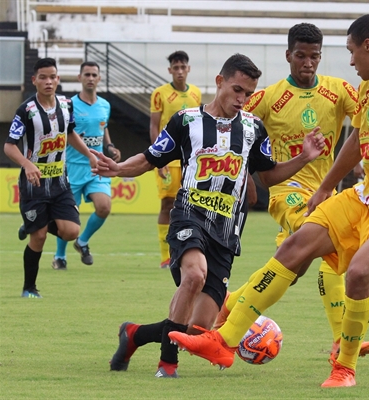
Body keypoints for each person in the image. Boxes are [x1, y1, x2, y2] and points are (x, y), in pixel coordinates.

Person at [167, 13, 369, 388]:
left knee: (358, 274)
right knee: (296, 247)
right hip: (356, 196)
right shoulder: (366, 90)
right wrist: (324, 188)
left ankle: (344, 367)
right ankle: (224, 341)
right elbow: (355, 143)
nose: (348, 62)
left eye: (350, 52)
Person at [91, 53, 326, 378]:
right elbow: (150, 158)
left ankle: (133, 334)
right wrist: (118, 169)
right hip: (189, 218)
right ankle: (166, 366)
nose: (243, 99)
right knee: (194, 276)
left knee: (197, 329)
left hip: (226, 234)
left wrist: (303, 157)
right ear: (219, 82)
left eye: (248, 93)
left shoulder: (253, 129)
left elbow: (269, 176)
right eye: (237, 90)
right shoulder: (186, 122)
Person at [219, 22, 369, 360]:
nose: (308, 63)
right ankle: (340, 340)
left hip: (324, 191)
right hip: (286, 191)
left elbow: (367, 123)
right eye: (301, 56)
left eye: (314, 56)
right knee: (326, 248)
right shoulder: (269, 97)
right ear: (288, 55)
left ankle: (230, 304)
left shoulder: (338, 90)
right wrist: (244, 177)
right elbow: (232, 127)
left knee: (288, 271)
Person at [4, 57, 98, 297]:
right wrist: (27, 164)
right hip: (34, 184)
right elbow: (9, 146)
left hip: (60, 182)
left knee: (71, 232)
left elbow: (70, 133)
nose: (48, 81)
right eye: (43, 77)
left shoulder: (66, 105)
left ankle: (32, 223)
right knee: (40, 236)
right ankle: (29, 288)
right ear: (34, 80)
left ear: (58, 79)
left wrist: (90, 155)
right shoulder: (26, 110)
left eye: (53, 77)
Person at [51, 61, 121, 270]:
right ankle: (59, 256)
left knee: (104, 206)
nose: (90, 78)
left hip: (96, 166)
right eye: (87, 74)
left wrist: (109, 145)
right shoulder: (68, 105)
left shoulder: (105, 105)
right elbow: (60, 132)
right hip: (72, 166)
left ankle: (82, 242)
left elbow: (103, 127)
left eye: (94, 75)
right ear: (79, 78)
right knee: (68, 215)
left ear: (99, 79)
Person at [150, 50, 202, 269]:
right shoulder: (160, 94)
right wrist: (158, 158)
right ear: (170, 70)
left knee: (190, 204)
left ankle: (185, 249)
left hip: (189, 157)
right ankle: (165, 256)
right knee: (167, 204)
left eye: (183, 67)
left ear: (188, 69)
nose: (180, 72)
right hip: (168, 158)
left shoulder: (196, 93)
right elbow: (154, 125)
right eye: (176, 68)